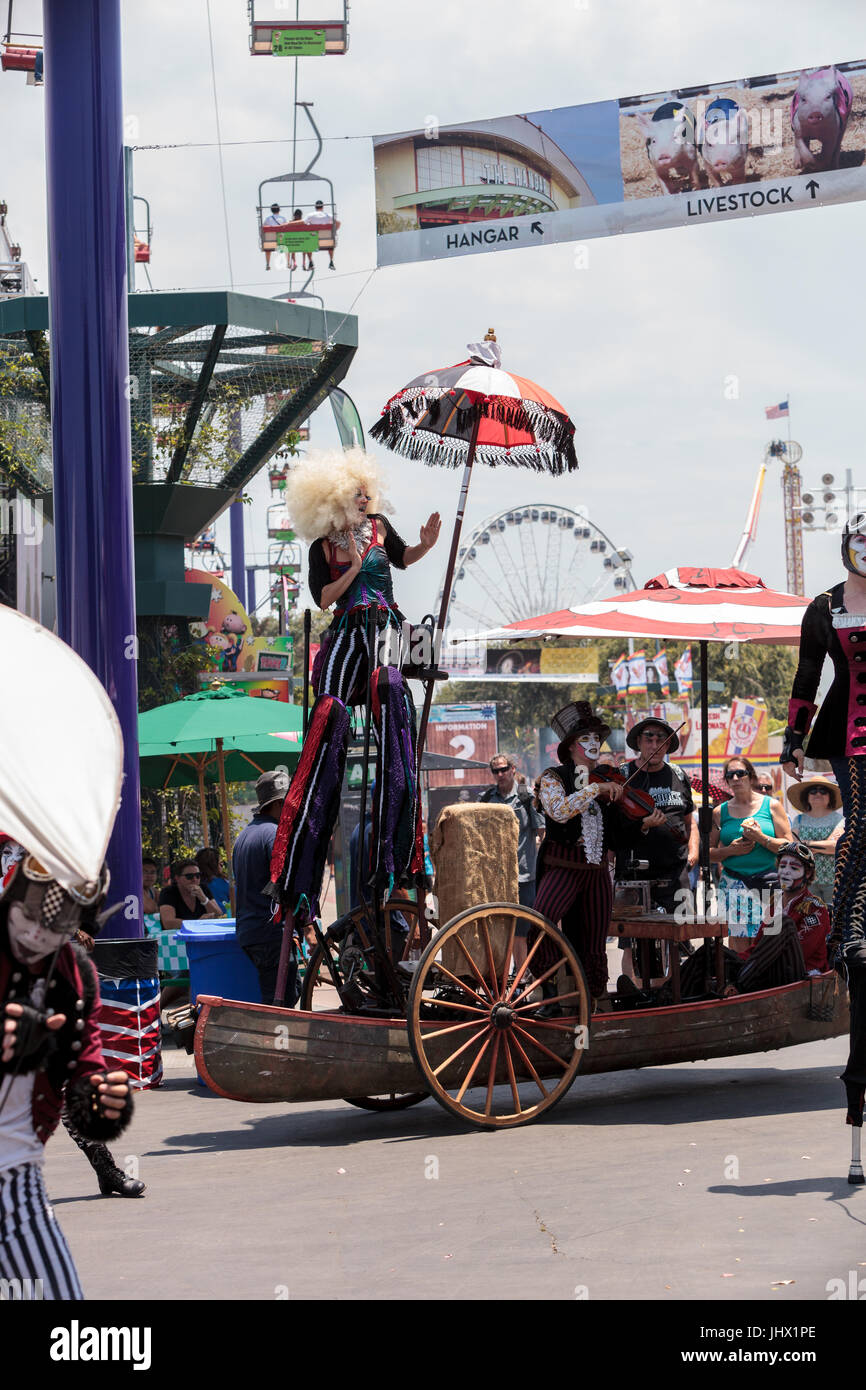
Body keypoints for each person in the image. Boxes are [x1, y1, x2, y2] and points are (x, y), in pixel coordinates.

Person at [271, 449, 440, 928]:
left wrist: (425, 545)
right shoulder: (322, 547)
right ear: (331, 503)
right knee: (329, 711)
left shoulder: (382, 527)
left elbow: (403, 560)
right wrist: (353, 567)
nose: (365, 500)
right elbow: (324, 599)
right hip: (347, 628)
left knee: (393, 698)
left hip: (386, 629)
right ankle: (303, 857)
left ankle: (400, 845)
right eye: (355, 494)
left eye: (367, 492)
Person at [1, 855, 135, 1298]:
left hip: (17, 1179)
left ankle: (107, 1171)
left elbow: (87, 1067)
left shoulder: (76, 976)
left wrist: (102, 1101)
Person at [781, 514, 866, 1109]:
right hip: (850, 731)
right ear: (846, 550)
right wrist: (792, 738)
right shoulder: (825, 608)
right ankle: (847, 929)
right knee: (862, 818)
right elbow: (808, 675)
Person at [532, 701, 624, 1008]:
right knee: (542, 925)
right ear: (571, 746)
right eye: (586, 738)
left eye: (597, 738)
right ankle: (549, 994)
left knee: (594, 944)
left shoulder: (607, 780)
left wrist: (645, 824)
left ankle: (593, 1005)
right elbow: (559, 811)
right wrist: (595, 790)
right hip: (563, 865)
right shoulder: (553, 777)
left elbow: (619, 833)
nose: (594, 743)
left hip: (596, 872)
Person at [615, 718, 698, 982]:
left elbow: (690, 822)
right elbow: (613, 828)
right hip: (633, 873)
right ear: (638, 743)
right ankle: (635, 995)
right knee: (630, 941)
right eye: (648, 738)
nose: (654, 744)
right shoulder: (624, 775)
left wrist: (693, 852)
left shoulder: (679, 775)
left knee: (677, 938)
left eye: (660, 740)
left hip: (675, 872)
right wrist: (642, 826)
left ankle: (669, 995)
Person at [709, 755, 793, 953]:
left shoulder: (771, 806)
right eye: (730, 775)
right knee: (739, 944)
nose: (736, 778)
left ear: (751, 777)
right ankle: (742, 983)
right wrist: (730, 850)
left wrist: (761, 837)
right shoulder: (719, 812)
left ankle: (767, 984)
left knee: (768, 941)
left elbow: (789, 845)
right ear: (727, 780)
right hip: (733, 883)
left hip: (768, 882)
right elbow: (708, 853)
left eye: (741, 773)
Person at [234, 770, 298, 1006]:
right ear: (280, 803)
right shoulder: (274, 834)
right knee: (279, 1001)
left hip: (251, 931)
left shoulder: (244, 836)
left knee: (287, 991)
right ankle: (275, 1042)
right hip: (270, 932)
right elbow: (286, 884)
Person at [787, 777, 844, 907]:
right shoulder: (799, 819)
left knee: (834, 920)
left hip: (833, 880)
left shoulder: (839, 819)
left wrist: (807, 845)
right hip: (806, 881)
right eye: (813, 791)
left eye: (823, 791)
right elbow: (796, 848)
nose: (818, 794)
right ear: (807, 796)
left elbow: (835, 846)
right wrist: (821, 846)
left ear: (830, 796)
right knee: (811, 920)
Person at [158, 860, 223, 931]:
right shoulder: (168, 892)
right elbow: (168, 923)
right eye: (189, 876)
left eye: (198, 876)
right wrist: (197, 923)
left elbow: (219, 915)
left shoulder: (203, 889)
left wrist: (204, 899)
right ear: (177, 878)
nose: (194, 879)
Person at [195, 847, 231, 913]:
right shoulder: (225, 883)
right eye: (221, 863)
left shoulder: (195, 883)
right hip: (225, 919)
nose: (222, 866)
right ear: (215, 865)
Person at [306, 198, 337, 269]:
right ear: (322, 207)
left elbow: (305, 224)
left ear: (315, 207)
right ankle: (331, 261)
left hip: (314, 239)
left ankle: (310, 261)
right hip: (326, 239)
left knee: (307, 244)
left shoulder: (310, 215)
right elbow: (334, 223)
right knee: (331, 242)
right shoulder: (329, 216)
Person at [262, 202, 285, 270]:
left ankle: (268, 264)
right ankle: (289, 263)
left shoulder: (268, 219)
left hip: (270, 240)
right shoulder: (283, 219)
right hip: (281, 240)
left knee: (267, 249)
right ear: (279, 210)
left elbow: (263, 228)